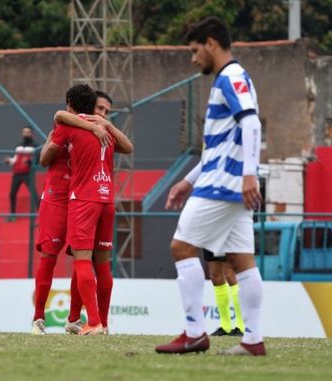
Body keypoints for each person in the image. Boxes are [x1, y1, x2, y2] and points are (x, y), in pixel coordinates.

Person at [155, 16, 265, 355]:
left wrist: (248, 174)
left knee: (181, 248)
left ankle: (194, 333)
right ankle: (253, 341)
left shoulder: (232, 77)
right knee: (242, 260)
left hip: (224, 184)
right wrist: (188, 181)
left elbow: (251, 123)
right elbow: (219, 146)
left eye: (194, 50)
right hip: (227, 181)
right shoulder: (228, 80)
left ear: (211, 44)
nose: (193, 58)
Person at [32, 91, 133, 335]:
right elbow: (44, 158)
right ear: (87, 107)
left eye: (107, 112)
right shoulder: (66, 124)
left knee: (83, 258)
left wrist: (103, 126)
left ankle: (76, 318)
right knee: (51, 255)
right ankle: (38, 318)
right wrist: (52, 140)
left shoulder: (102, 131)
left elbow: (127, 147)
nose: (102, 114)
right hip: (59, 198)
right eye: (100, 109)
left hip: (83, 198)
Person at [204, 249, 245, 336]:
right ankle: (225, 327)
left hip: (226, 236)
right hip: (210, 237)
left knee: (230, 275)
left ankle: (242, 327)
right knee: (215, 277)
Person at [5, 126, 40, 222]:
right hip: (17, 173)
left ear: (31, 133)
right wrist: (9, 161)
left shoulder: (36, 146)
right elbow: (15, 159)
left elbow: (38, 159)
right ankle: (12, 215)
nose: (26, 134)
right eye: (24, 132)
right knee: (12, 194)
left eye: (28, 132)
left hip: (27, 173)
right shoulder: (19, 146)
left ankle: (42, 214)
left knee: (34, 194)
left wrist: (31, 162)